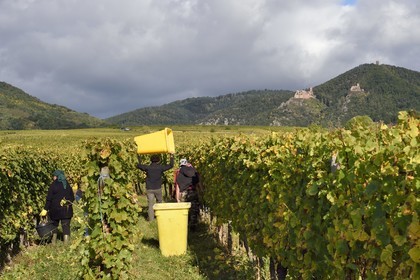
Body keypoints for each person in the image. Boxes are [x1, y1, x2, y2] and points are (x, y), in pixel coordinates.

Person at [40, 170, 75, 244]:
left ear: (56, 176)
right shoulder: (67, 185)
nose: (53, 178)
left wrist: (45, 209)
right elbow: (72, 198)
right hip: (66, 210)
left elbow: (49, 198)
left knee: (54, 226)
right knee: (66, 227)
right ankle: (66, 244)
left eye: (53, 176)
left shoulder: (53, 185)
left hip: (55, 210)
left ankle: (53, 243)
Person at [137, 153, 174, 221]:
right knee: (159, 202)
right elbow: (171, 165)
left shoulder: (147, 167)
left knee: (150, 204)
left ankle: (151, 219)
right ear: (158, 160)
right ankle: (159, 217)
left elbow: (139, 165)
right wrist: (171, 156)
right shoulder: (160, 167)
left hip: (149, 188)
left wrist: (138, 156)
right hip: (158, 188)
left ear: (151, 160)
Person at [175, 158, 200, 231]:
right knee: (194, 209)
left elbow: (177, 187)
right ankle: (193, 227)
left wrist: (177, 198)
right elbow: (198, 182)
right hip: (192, 191)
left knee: (184, 211)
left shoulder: (179, 174)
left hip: (183, 193)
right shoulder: (193, 171)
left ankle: (184, 226)